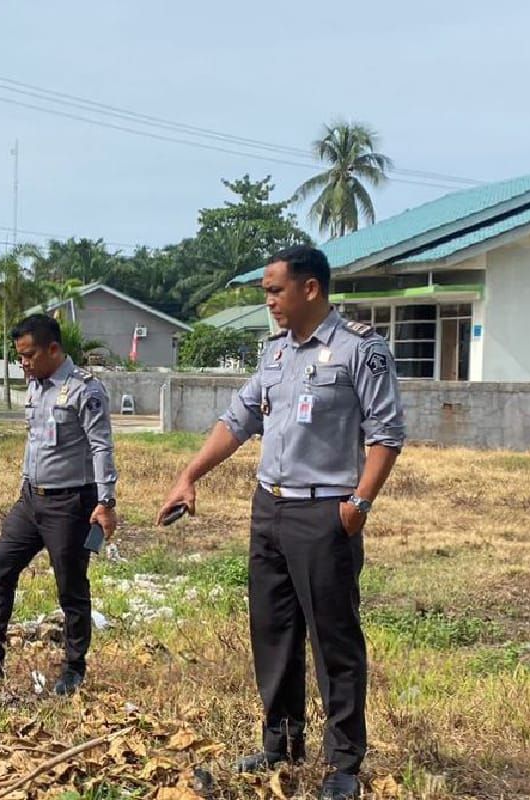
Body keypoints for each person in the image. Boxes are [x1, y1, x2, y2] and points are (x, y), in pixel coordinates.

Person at [157, 245, 404, 800]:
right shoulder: (275, 354)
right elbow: (238, 419)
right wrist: (189, 474)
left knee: (333, 639)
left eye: (274, 290)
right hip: (269, 506)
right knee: (272, 631)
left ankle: (343, 764)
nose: (268, 300)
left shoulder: (359, 350)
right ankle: (281, 741)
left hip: (325, 511)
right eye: (267, 292)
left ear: (310, 288)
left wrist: (359, 504)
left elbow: (386, 434)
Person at [0, 314, 117, 696]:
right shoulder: (37, 387)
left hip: (70, 503)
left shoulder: (84, 390)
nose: (23, 363)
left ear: (54, 349)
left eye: (29, 355)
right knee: (0, 566)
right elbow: (36, 441)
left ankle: (74, 667)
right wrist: (24, 484)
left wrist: (106, 502)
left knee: (70, 585)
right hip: (31, 500)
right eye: (19, 356)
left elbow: (102, 447)